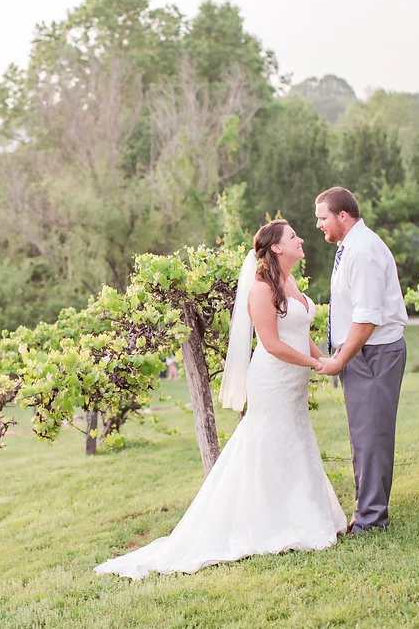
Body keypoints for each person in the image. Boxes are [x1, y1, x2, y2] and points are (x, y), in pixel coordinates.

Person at [94, 220, 346, 580]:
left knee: (295, 438)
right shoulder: (261, 287)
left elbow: (300, 332)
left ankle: (301, 513)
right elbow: (272, 344)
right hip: (273, 379)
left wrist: (319, 358)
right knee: (266, 442)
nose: (301, 239)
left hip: (295, 381)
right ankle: (263, 522)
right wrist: (314, 363)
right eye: (293, 237)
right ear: (276, 247)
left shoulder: (290, 281)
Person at [314, 187, 408, 536]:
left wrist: (340, 361)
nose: (319, 225)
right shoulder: (349, 248)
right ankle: (368, 510)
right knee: (364, 437)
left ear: (343, 215)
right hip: (360, 354)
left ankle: (371, 520)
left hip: (374, 355)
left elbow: (367, 319)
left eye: (322, 217)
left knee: (372, 437)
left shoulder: (364, 251)